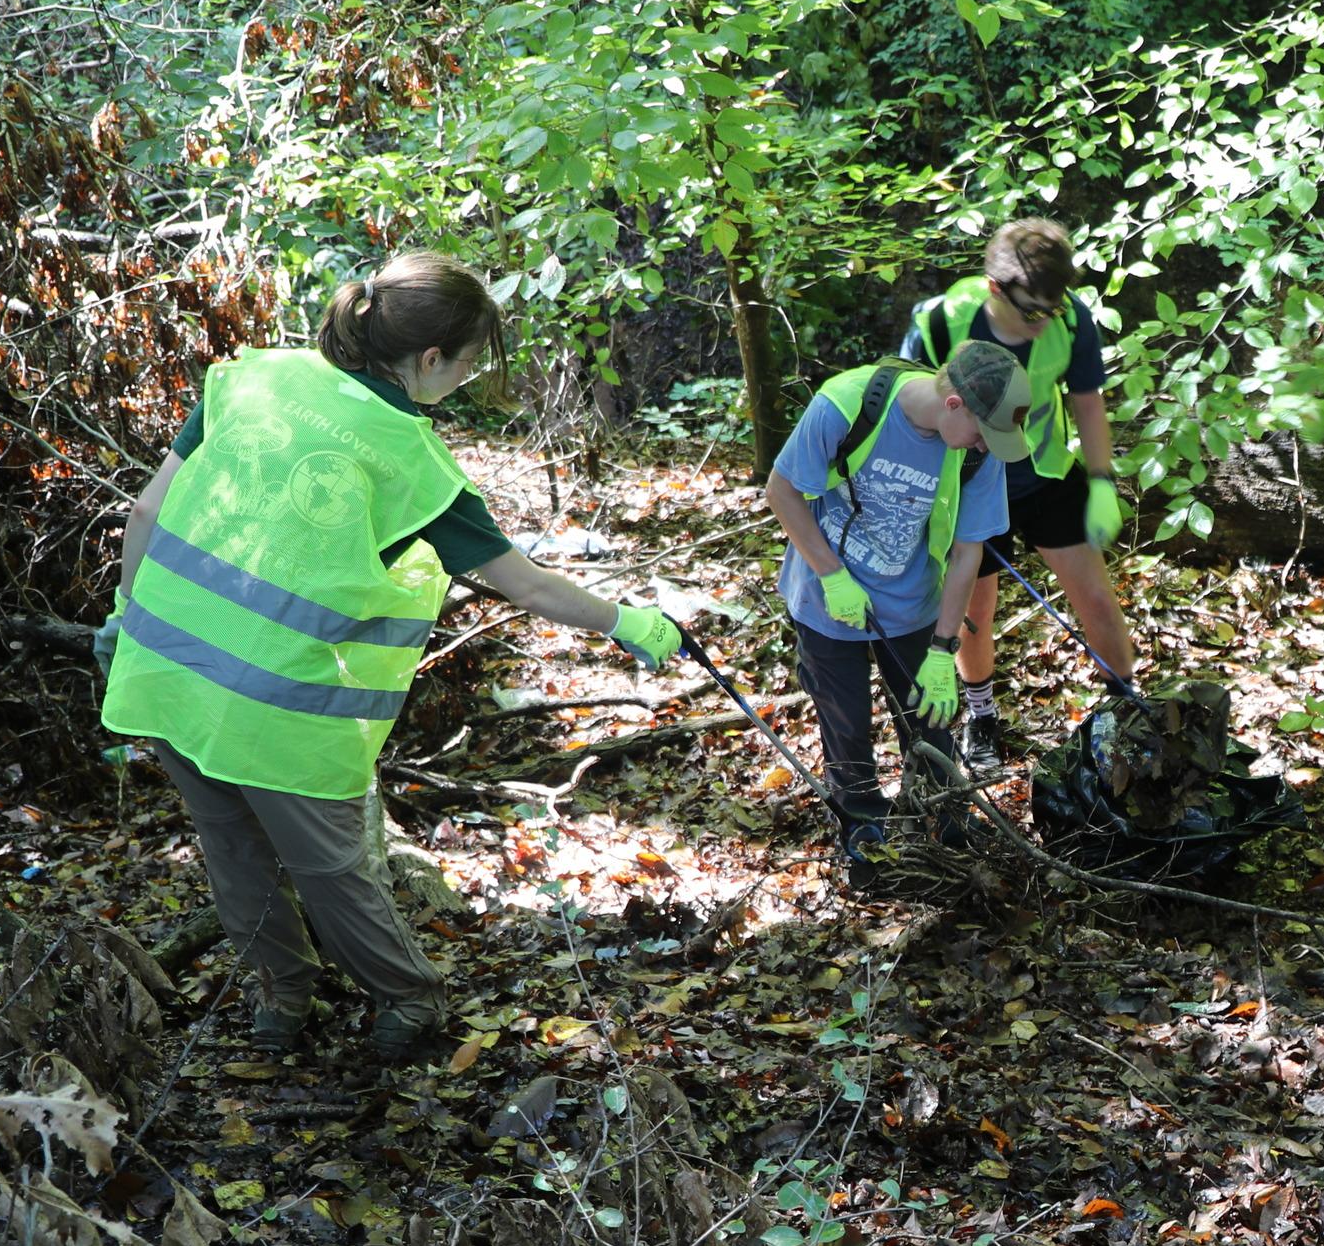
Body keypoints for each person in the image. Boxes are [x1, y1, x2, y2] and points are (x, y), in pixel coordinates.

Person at [98, 251, 681, 1064]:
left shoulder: (257, 379)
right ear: (431, 358)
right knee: (332, 868)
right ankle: (408, 1002)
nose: (468, 381)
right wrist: (630, 621)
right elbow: (526, 585)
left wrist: (127, 617)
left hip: (167, 673)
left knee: (231, 851)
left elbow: (150, 508)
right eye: (471, 364)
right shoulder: (411, 460)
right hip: (279, 707)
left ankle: (282, 1001)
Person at [764, 336, 1033, 892]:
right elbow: (782, 490)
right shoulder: (847, 404)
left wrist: (944, 648)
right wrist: (832, 575)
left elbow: (967, 551)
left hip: (913, 602)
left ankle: (944, 823)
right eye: (984, 431)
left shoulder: (977, 451)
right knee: (847, 723)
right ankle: (864, 834)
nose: (986, 445)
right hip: (825, 597)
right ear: (955, 403)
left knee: (931, 721)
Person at [899, 218, 1133, 771]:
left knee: (1095, 597)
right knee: (974, 610)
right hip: (969, 482)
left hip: (1045, 474)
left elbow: (1087, 402)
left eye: (1051, 310)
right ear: (995, 288)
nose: (1042, 322)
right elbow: (910, 409)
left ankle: (1126, 711)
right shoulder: (940, 324)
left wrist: (1100, 481)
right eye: (1031, 311)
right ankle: (982, 715)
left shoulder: (1069, 317)